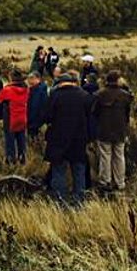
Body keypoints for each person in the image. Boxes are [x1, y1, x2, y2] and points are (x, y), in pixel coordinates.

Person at [44, 74, 91, 205]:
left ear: (59, 83)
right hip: (79, 139)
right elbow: (91, 116)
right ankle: (79, 201)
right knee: (79, 170)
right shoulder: (84, 96)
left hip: (58, 139)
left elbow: (47, 116)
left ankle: (60, 200)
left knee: (58, 170)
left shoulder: (55, 96)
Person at [92, 71, 133, 191]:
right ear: (118, 80)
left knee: (105, 156)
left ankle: (105, 181)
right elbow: (127, 113)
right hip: (120, 130)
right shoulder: (125, 95)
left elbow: (94, 112)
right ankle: (120, 182)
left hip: (104, 130)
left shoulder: (100, 94)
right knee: (119, 156)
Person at [0, 70, 30, 164]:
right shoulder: (26, 89)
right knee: (21, 139)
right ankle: (22, 159)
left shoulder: (8, 90)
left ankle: (11, 161)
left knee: (10, 140)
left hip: (11, 118)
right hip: (22, 117)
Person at [27, 71, 49, 139]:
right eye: (29, 78)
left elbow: (42, 107)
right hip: (30, 120)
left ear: (38, 79)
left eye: (32, 78)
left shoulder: (41, 91)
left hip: (36, 121)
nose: (30, 81)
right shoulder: (31, 90)